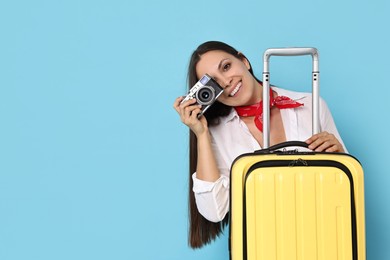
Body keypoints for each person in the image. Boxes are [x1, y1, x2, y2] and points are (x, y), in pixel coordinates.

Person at [173, 41, 346, 248]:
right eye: (214, 83)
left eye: (226, 67)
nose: (226, 82)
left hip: (322, 237)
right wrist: (201, 134)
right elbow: (214, 211)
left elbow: (344, 191)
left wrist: (339, 154)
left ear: (244, 60)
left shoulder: (310, 104)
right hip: (261, 243)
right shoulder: (217, 133)